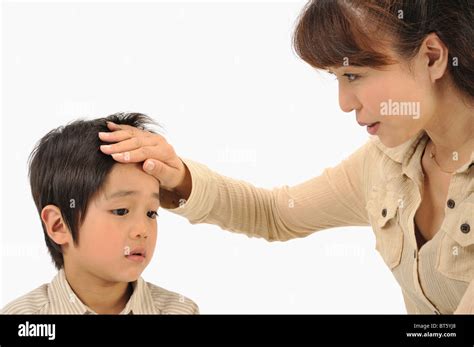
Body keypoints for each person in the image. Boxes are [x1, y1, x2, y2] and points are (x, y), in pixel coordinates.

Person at [98, 0, 473, 314]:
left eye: (354, 75)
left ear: (432, 57)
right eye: (336, 78)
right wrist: (177, 176)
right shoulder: (386, 163)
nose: (344, 103)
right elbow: (277, 213)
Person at [1, 113, 199, 314]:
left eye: (151, 213)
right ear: (58, 225)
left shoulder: (180, 310)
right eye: (121, 211)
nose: (142, 230)